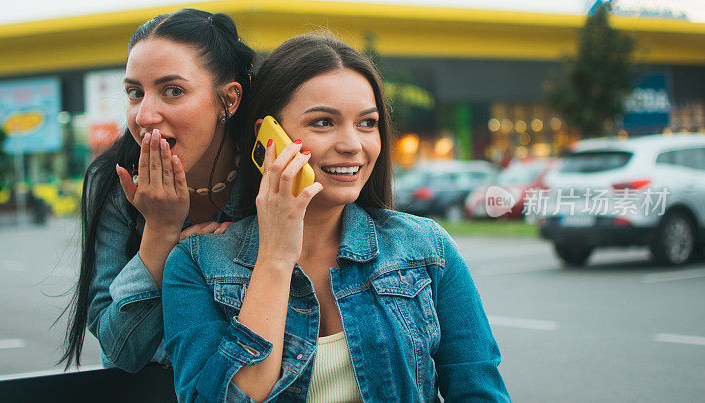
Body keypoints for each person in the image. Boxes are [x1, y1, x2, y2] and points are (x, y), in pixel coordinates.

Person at [161, 35, 510, 402]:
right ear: (267, 137)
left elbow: (479, 392)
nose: (352, 144)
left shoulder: (427, 248)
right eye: (324, 122)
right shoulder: (196, 263)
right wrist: (276, 257)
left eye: (367, 123)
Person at [59, 8, 256, 372]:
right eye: (135, 93)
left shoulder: (266, 176)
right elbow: (123, 351)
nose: (144, 115)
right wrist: (163, 233)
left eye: (172, 91)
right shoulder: (114, 184)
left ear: (228, 100)